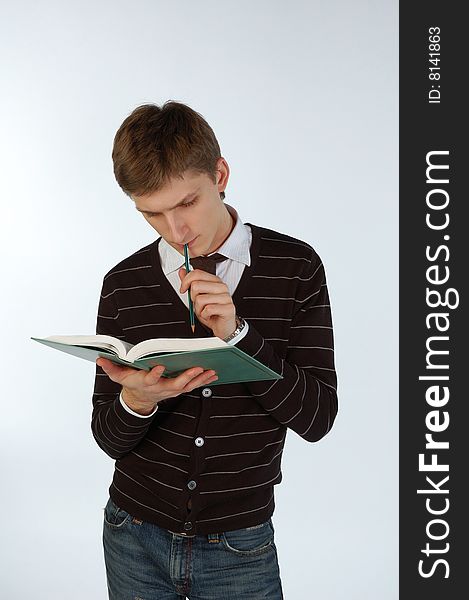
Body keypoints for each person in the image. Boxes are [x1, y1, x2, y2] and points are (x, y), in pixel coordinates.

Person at [92, 100, 338, 599]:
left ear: (220, 173)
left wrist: (239, 335)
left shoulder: (296, 268)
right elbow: (108, 439)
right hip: (131, 534)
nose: (175, 231)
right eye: (152, 214)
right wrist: (136, 401)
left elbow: (317, 418)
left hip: (238, 546)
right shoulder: (122, 283)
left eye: (186, 204)